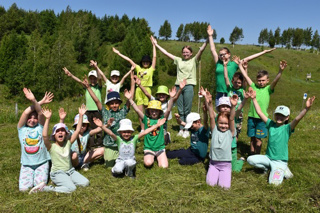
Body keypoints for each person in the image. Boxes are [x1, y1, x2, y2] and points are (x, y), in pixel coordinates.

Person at [247, 89, 315, 185]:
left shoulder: (287, 128)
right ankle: (267, 168)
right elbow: (260, 113)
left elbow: (297, 119)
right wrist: (253, 99)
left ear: (287, 117)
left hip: (280, 161)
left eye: (282, 116)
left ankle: (283, 168)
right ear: (274, 115)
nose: (279, 117)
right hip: (268, 158)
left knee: (273, 184)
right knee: (250, 159)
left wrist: (306, 109)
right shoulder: (270, 124)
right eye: (277, 115)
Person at [151, 35, 207, 138]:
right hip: (178, 86)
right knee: (180, 108)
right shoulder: (178, 60)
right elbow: (166, 53)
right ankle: (181, 129)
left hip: (189, 85)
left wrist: (208, 39)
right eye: (184, 52)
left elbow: (201, 51)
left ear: (191, 53)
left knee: (187, 108)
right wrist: (156, 44)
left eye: (187, 52)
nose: (185, 54)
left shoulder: (194, 60)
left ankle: (187, 128)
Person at [207, 25, 276, 105]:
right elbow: (212, 50)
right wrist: (210, 36)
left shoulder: (234, 64)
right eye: (220, 55)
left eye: (224, 54)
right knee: (221, 116)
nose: (222, 56)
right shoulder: (218, 63)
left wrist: (263, 52)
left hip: (230, 91)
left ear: (229, 54)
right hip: (219, 93)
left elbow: (248, 59)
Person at [29, 105, 90, 194]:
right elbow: (45, 136)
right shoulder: (51, 146)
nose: (60, 132)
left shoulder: (68, 143)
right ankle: (44, 188)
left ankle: (65, 183)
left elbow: (77, 131)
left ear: (66, 134)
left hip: (70, 171)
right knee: (72, 189)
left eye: (62, 130)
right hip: (57, 173)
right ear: (54, 135)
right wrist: (47, 119)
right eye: (57, 131)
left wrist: (81, 116)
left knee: (85, 183)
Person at [124, 80, 184, 168]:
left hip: (160, 148)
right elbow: (137, 110)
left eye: (156, 111)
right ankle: (151, 155)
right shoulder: (146, 119)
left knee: (164, 167)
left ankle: (161, 151)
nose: (154, 113)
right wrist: (130, 99)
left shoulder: (162, 120)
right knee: (148, 163)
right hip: (149, 148)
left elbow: (168, 110)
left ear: (159, 112)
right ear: (149, 111)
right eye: (152, 111)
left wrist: (171, 98)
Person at [82, 72, 135, 168]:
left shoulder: (122, 112)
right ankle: (86, 161)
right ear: (108, 104)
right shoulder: (104, 112)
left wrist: (133, 82)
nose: (114, 105)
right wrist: (88, 88)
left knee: (124, 164)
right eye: (112, 103)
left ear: (119, 103)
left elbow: (130, 99)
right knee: (109, 165)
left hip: (121, 145)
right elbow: (97, 101)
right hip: (108, 145)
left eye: (116, 103)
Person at [239, 60, 287, 154]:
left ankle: (257, 155)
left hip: (262, 119)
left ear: (267, 80)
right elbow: (245, 76)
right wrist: (240, 65)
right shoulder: (253, 86)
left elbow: (275, 80)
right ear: (257, 80)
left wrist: (280, 71)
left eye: (263, 80)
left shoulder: (268, 89)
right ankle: (251, 155)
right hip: (251, 117)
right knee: (252, 137)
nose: (261, 82)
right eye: (259, 80)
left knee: (258, 138)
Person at [94, 117, 166, 178]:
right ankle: (115, 170)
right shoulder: (118, 139)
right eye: (124, 132)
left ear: (131, 132)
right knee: (118, 170)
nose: (126, 134)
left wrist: (156, 125)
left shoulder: (134, 138)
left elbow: (145, 132)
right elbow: (110, 133)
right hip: (121, 159)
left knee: (130, 163)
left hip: (130, 159)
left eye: (128, 132)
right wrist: (102, 126)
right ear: (120, 132)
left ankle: (129, 172)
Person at [113, 36, 156, 132]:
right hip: (138, 91)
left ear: (149, 62)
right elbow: (129, 60)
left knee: (149, 111)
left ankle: (150, 126)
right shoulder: (138, 68)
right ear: (142, 62)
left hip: (147, 90)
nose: (145, 63)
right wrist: (118, 53)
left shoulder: (151, 69)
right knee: (139, 111)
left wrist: (154, 45)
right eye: (144, 61)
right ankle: (142, 129)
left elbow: (154, 57)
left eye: (147, 61)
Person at [17, 88, 53, 192]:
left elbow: (40, 113)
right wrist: (36, 101)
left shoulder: (40, 127)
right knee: (23, 190)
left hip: (42, 162)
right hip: (26, 164)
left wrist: (35, 101)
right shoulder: (21, 129)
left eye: (35, 118)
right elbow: (25, 113)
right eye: (30, 117)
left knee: (39, 187)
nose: (32, 120)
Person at [167, 88, 214, 165]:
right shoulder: (192, 128)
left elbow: (206, 121)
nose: (191, 128)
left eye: (192, 125)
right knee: (171, 154)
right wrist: (178, 118)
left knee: (182, 161)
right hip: (190, 151)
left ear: (198, 122)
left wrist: (205, 112)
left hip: (199, 157)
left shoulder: (204, 130)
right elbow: (181, 123)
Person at [134, 76, 186, 142]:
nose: (161, 96)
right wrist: (139, 85)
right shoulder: (154, 100)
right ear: (157, 95)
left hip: (163, 121)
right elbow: (146, 93)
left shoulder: (168, 102)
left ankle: (167, 136)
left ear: (167, 95)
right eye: (159, 94)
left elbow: (175, 98)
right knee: (153, 135)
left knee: (162, 140)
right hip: (153, 120)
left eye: (163, 94)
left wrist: (180, 89)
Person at [62, 66, 103, 149]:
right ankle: (90, 145)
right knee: (89, 128)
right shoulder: (87, 87)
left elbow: (100, 78)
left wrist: (96, 68)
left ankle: (99, 144)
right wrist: (71, 75)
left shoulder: (99, 87)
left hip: (97, 110)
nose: (93, 80)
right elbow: (79, 81)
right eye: (91, 78)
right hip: (88, 111)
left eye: (94, 78)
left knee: (99, 128)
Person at [206, 95, 238, 189]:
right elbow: (211, 116)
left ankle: (239, 162)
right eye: (221, 123)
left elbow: (231, 119)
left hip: (225, 165)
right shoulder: (214, 130)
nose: (223, 125)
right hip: (213, 164)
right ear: (217, 123)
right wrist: (210, 103)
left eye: (225, 123)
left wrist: (233, 107)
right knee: (210, 185)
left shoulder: (230, 132)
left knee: (224, 187)